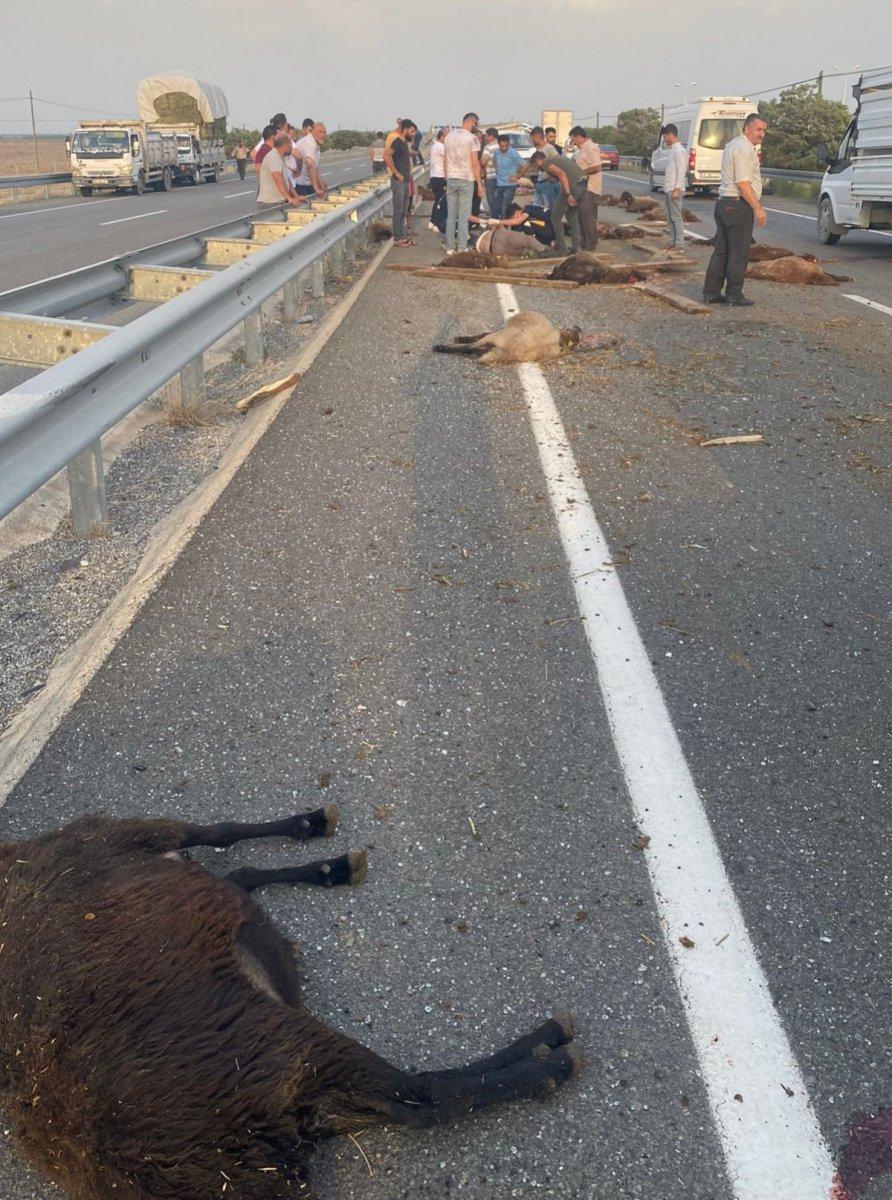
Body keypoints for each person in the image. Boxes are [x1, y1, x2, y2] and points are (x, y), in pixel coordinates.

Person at [703, 113, 768, 306]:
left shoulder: (733, 145)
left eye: (764, 130)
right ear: (747, 128)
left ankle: (711, 292)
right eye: (758, 129)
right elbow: (742, 183)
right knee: (738, 252)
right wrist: (758, 208)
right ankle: (734, 293)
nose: (762, 134)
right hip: (738, 204)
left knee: (722, 250)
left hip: (725, 203)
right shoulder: (744, 148)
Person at [528, 150, 587, 255]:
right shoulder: (557, 158)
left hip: (573, 186)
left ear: (538, 161)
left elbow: (561, 174)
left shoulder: (546, 163)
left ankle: (562, 249)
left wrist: (568, 194)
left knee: (555, 217)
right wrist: (555, 178)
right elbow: (566, 171)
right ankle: (576, 248)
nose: (537, 169)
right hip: (582, 184)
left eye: (535, 166)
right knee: (571, 215)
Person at [444, 112, 483, 254]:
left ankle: (449, 247)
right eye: (476, 124)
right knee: (463, 215)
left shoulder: (449, 136)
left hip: (451, 178)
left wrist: (447, 176)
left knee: (451, 215)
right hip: (466, 179)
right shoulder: (472, 139)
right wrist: (479, 183)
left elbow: (445, 159)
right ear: (472, 122)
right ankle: (461, 247)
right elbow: (475, 163)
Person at [568, 126, 601, 250]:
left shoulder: (591, 148)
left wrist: (581, 172)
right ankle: (584, 243)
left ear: (579, 137)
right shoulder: (581, 150)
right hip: (582, 188)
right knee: (581, 218)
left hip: (590, 188)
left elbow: (597, 167)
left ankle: (590, 244)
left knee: (588, 219)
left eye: (573, 139)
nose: (573, 142)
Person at [384, 119, 417, 246]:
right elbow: (386, 156)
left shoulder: (404, 142)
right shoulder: (397, 141)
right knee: (398, 211)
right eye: (412, 131)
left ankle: (402, 236)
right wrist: (396, 172)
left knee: (403, 210)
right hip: (398, 182)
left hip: (405, 182)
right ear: (405, 129)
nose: (413, 134)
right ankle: (398, 239)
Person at [660, 124, 688, 253]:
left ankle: (679, 244)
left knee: (676, 217)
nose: (665, 140)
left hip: (675, 190)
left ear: (670, 135)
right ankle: (672, 242)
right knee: (669, 217)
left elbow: (681, 171)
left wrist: (677, 189)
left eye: (665, 137)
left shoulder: (680, 151)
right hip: (669, 189)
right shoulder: (672, 150)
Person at [257, 133, 303, 207]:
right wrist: (290, 199)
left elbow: (286, 180)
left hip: (278, 201)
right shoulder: (274, 157)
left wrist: (296, 196)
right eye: (290, 145)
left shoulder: (280, 157)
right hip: (270, 203)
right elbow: (278, 179)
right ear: (285, 146)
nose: (291, 148)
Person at [524, 126, 560, 209]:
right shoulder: (539, 149)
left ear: (536, 137)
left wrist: (554, 177)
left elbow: (558, 161)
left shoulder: (549, 148)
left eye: (532, 139)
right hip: (540, 182)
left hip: (548, 183)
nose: (531, 141)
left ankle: (551, 222)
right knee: (535, 207)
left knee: (549, 207)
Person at [490, 133, 524, 219]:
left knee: (505, 206)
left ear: (509, 144)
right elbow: (494, 159)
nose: (503, 148)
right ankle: (496, 224)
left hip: (510, 185)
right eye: (501, 146)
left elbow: (525, 165)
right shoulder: (497, 152)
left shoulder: (513, 153)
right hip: (500, 184)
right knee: (496, 206)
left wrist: (518, 176)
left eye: (505, 146)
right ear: (498, 145)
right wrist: (496, 169)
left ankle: (505, 226)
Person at [294, 122, 327, 199]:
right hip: (302, 185)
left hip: (308, 183)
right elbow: (310, 165)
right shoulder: (309, 143)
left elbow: (315, 167)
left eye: (324, 132)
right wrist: (316, 188)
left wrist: (321, 183)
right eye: (320, 132)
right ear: (313, 132)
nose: (323, 135)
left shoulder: (314, 143)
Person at [428, 128, 447, 233]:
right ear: (442, 136)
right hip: (440, 176)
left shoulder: (435, 146)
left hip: (435, 176)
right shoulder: (440, 147)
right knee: (441, 201)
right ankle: (436, 224)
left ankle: (432, 221)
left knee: (438, 200)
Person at [480, 127, 499, 216]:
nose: (486, 138)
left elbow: (483, 161)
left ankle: (494, 219)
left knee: (491, 200)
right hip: (501, 177)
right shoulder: (502, 145)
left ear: (491, 136)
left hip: (491, 176)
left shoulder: (488, 147)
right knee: (499, 199)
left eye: (487, 136)